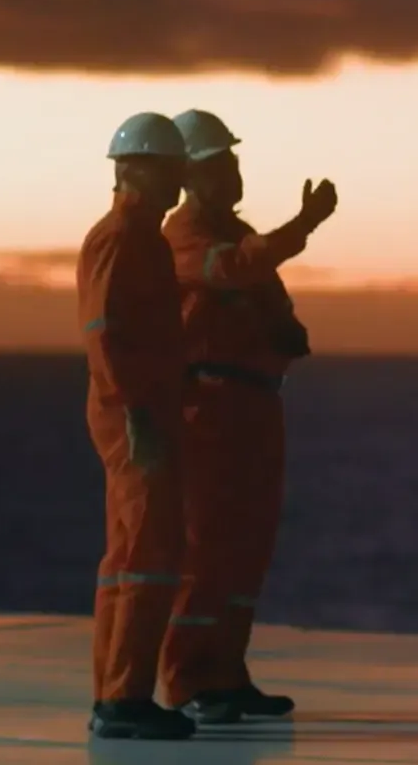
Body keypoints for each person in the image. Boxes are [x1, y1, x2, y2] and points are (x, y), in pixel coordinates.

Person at [158, 108, 337, 724]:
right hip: (210, 410)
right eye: (219, 165)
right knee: (206, 545)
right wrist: (304, 225)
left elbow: (260, 288)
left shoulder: (235, 233)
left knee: (246, 546)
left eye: (232, 162)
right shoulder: (184, 237)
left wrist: (283, 330)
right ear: (188, 176)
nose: (232, 175)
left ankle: (227, 674)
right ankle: (187, 680)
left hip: (254, 406)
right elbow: (235, 270)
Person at [78, 113, 197, 740]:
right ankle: (124, 700)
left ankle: (114, 696)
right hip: (136, 416)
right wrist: (137, 413)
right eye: (168, 167)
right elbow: (106, 333)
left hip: (142, 411)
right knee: (150, 551)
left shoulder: (141, 239)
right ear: (133, 170)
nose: (179, 178)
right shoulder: (123, 237)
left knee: (129, 555)